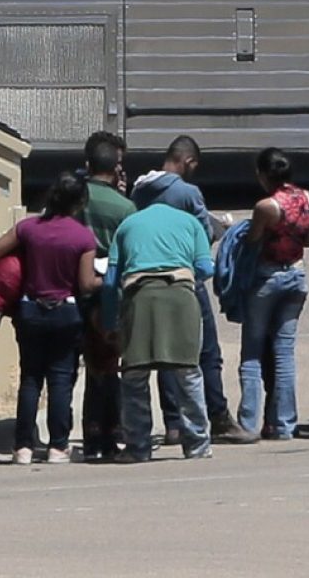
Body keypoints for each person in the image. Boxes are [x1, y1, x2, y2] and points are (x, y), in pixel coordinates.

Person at [132, 136, 255, 444]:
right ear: (188, 162)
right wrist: (220, 229)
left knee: (165, 354)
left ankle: (174, 424)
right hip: (186, 277)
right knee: (207, 352)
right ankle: (218, 418)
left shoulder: (141, 189)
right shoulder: (188, 192)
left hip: (149, 276)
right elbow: (201, 233)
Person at [0, 173, 100, 465]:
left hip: (30, 310)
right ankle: (58, 447)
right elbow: (86, 284)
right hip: (65, 311)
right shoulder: (82, 236)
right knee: (61, 379)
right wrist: (106, 279)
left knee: (30, 378)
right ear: (80, 202)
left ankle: (22, 446)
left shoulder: (28, 228)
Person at [104, 201, 214, 463]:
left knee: (134, 376)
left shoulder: (127, 225)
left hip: (139, 298)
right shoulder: (190, 222)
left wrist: (110, 323)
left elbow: (110, 281)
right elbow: (206, 268)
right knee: (188, 373)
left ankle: (138, 447)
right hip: (181, 298)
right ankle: (198, 445)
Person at [237, 147, 309, 441]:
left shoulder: (266, 206)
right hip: (297, 274)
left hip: (268, 278)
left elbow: (253, 241)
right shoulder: (306, 198)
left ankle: (248, 423)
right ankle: (284, 425)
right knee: (284, 353)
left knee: (253, 352)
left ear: (263, 174)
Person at [80, 133, 135, 461]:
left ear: (87, 165)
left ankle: (90, 438)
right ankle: (112, 434)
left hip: (77, 291)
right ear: (115, 169)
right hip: (110, 291)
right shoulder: (125, 207)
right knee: (111, 366)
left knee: (89, 370)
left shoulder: (74, 198)